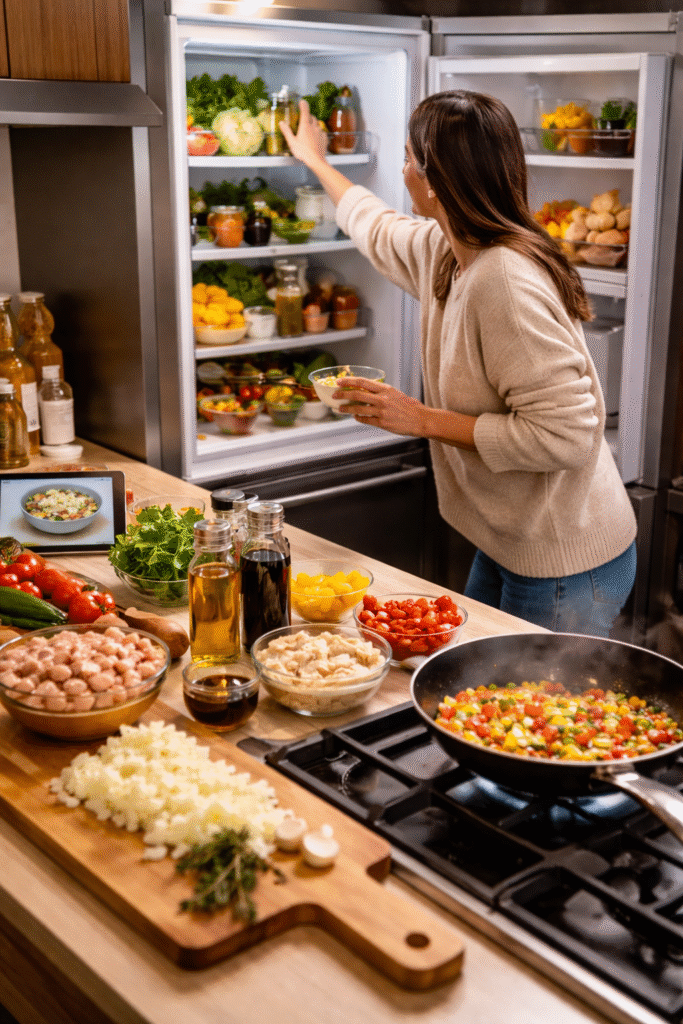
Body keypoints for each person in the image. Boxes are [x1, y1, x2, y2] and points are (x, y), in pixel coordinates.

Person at [279, 90, 637, 637]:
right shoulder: (448, 248)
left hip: (566, 559)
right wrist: (315, 160)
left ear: (436, 180)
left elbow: (567, 436)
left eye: (406, 158)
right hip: (512, 540)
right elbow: (374, 225)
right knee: (474, 693)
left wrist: (418, 419)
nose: (401, 172)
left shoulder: (503, 282)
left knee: (517, 713)